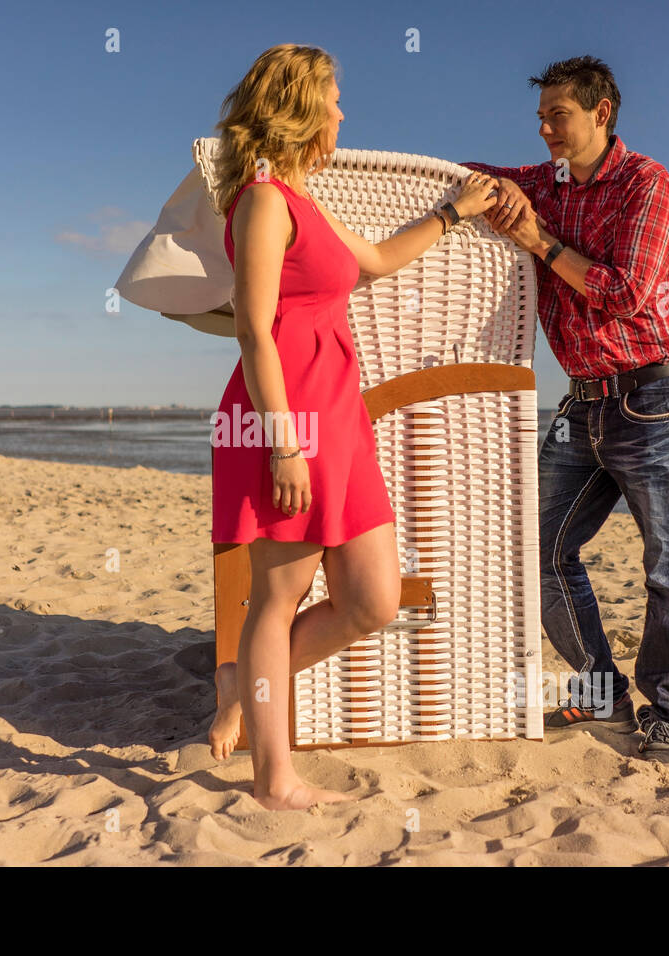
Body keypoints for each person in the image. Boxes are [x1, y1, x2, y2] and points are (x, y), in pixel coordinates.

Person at [206, 44, 500, 809]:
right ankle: (275, 780)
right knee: (278, 599)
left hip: (339, 422)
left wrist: (453, 213)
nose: (343, 113)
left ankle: (242, 681)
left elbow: (373, 261)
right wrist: (283, 443)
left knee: (371, 600)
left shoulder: (306, 200)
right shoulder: (264, 200)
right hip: (287, 422)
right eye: (334, 100)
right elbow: (253, 328)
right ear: (299, 108)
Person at [462, 56, 669, 764]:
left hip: (656, 395)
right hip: (581, 401)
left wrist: (537, 238)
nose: (544, 130)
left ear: (602, 113)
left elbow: (623, 291)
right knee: (532, 548)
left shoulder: (647, 185)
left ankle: (667, 712)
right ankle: (601, 691)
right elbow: (463, 175)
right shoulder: (545, 182)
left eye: (557, 115)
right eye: (539, 117)